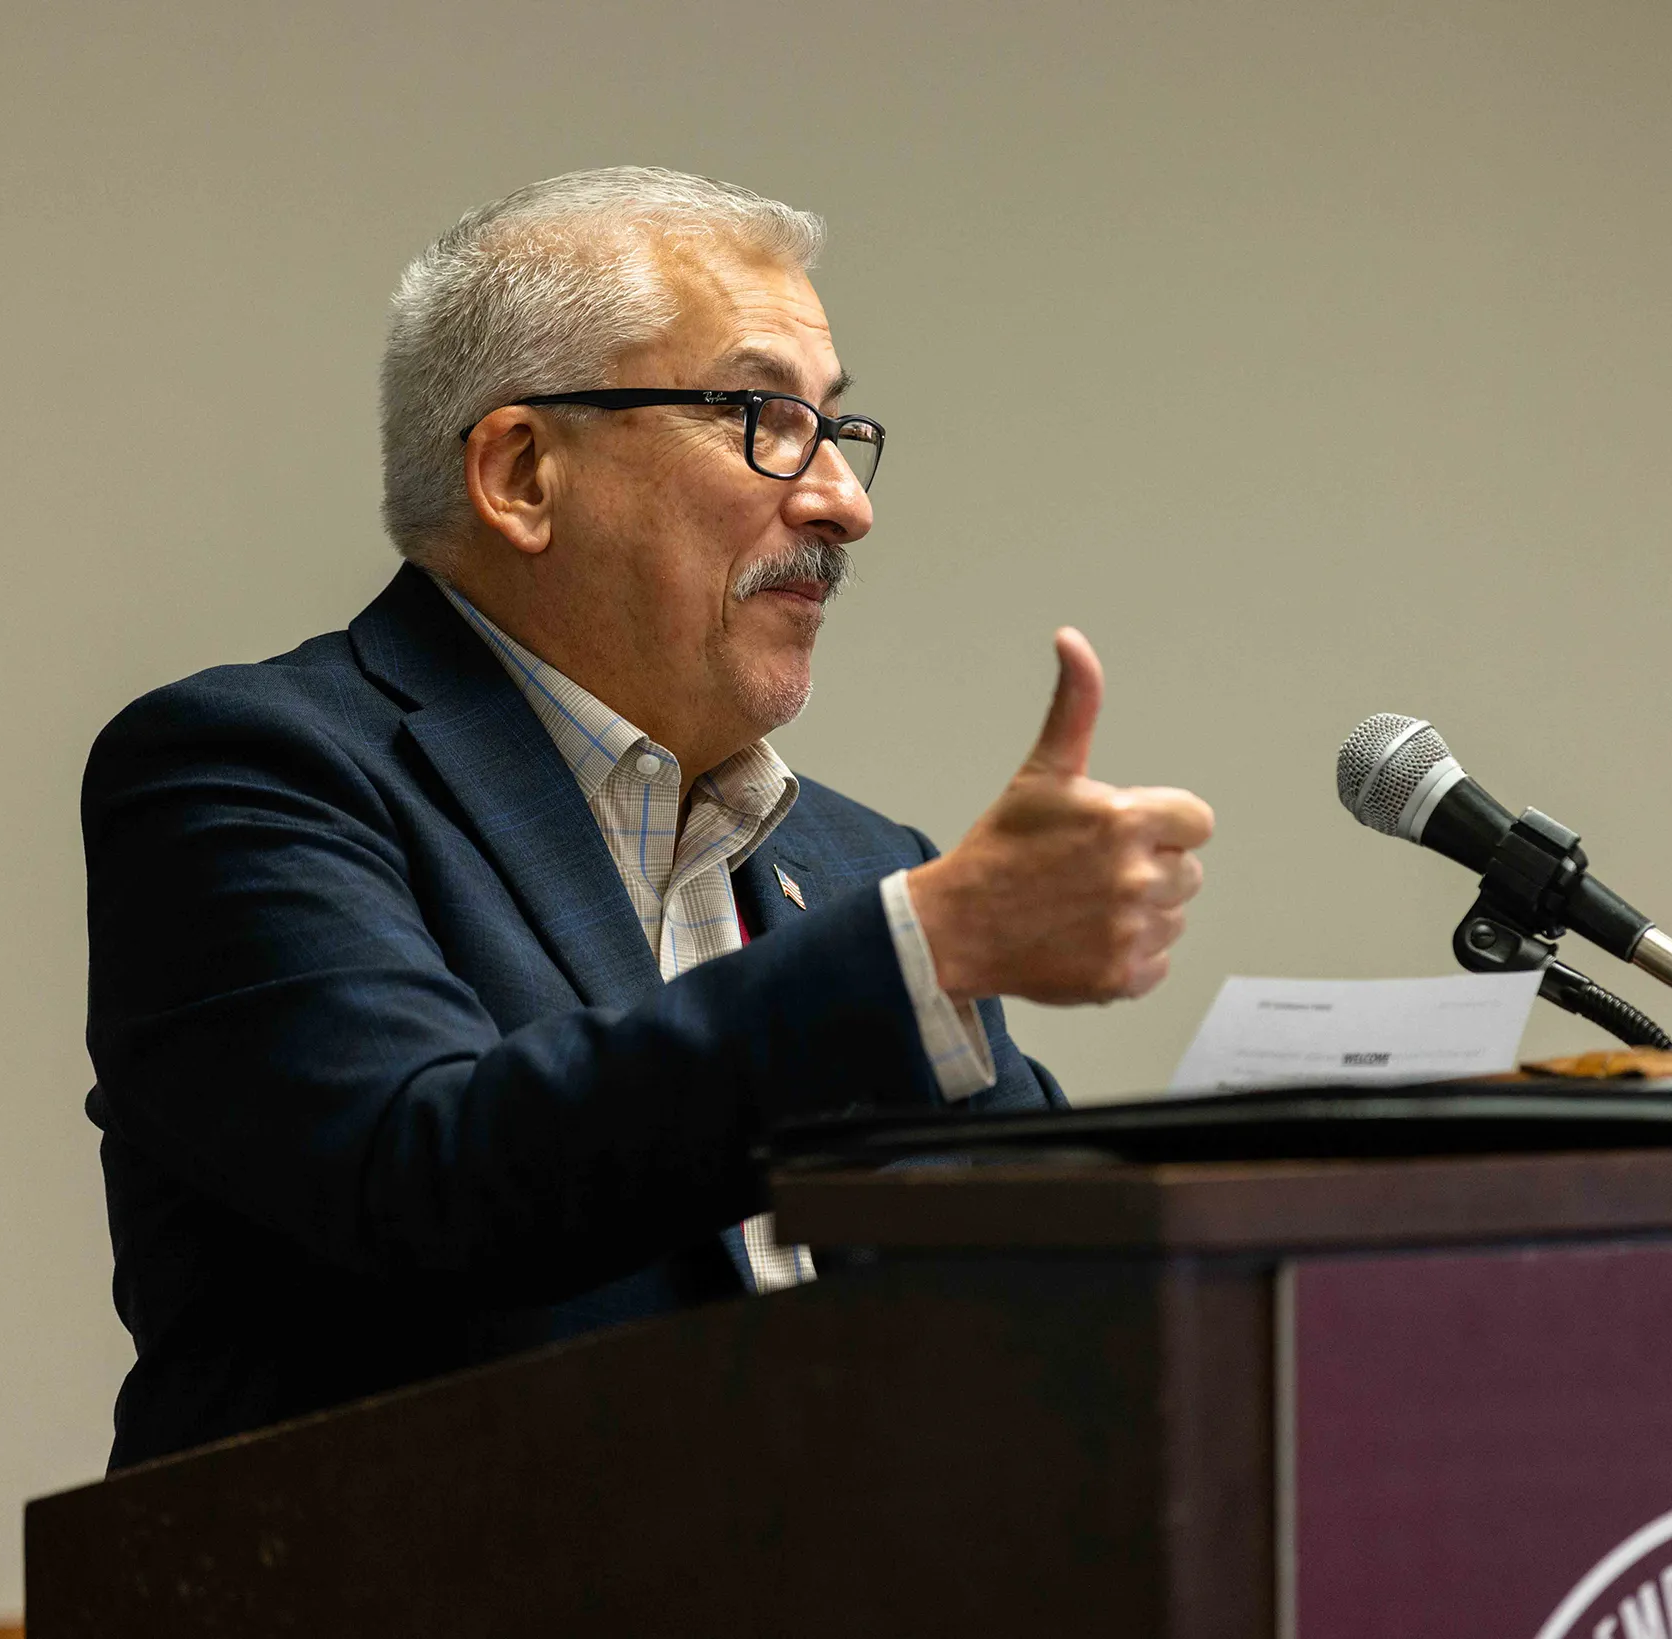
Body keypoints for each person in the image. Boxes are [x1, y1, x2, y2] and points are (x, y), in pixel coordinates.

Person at [82, 167, 1213, 1469]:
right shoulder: (253, 771)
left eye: (835, 429)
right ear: (519, 472)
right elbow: (425, 1178)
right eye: (762, 417)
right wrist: (927, 952)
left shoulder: (864, 868)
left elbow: (1037, 1297)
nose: (844, 499)